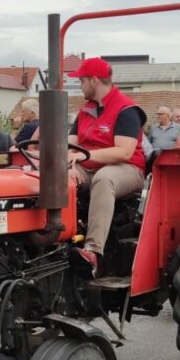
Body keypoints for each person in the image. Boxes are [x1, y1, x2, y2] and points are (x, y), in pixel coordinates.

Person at [66, 57, 147, 272]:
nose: (79, 85)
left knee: (104, 179)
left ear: (93, 81)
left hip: (127, 170)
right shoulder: (85, 111)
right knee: (57, 178)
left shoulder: (126, 109)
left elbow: (124, 151)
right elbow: (69, 146)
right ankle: (56, 242)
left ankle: (92, 251)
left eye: (81, 81)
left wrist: (83, 156)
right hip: (88, 167)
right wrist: (69, 166)